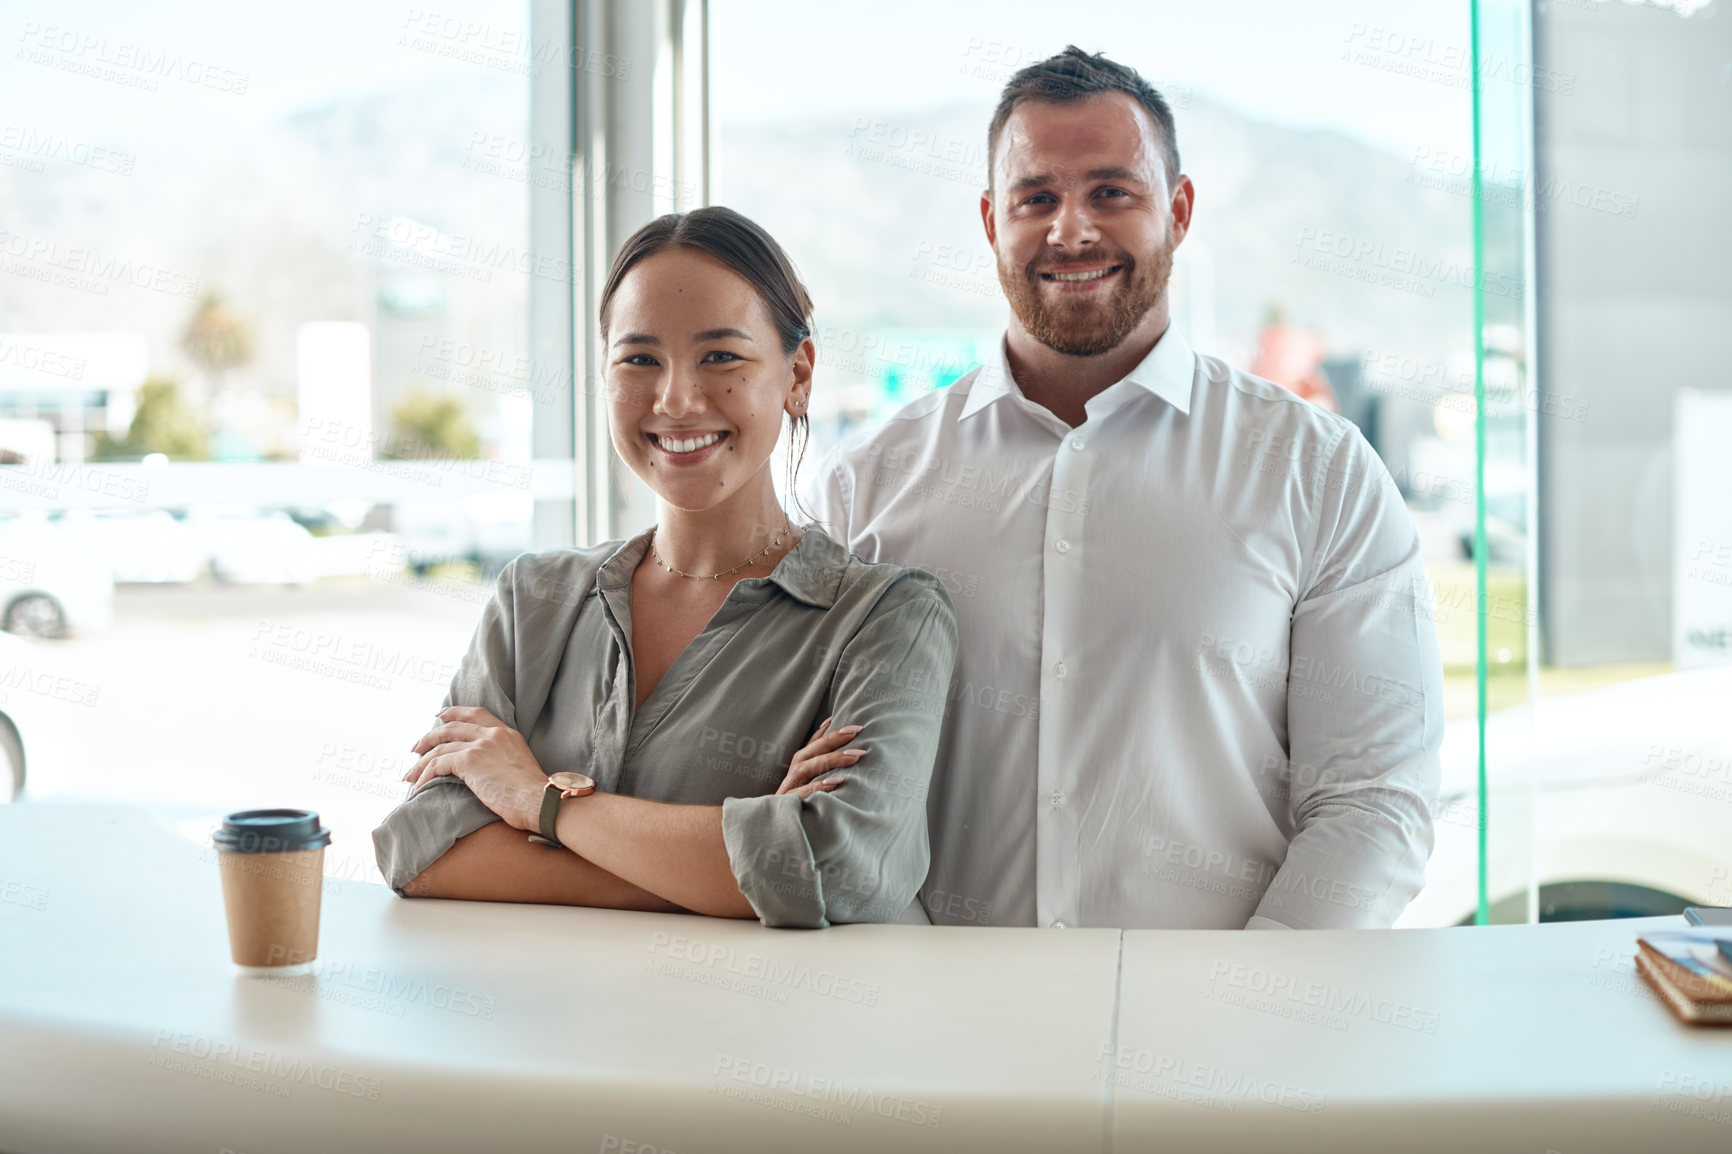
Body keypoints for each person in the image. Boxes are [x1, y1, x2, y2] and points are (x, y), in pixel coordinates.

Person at [806, 47, 1444, 930]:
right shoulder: (864, 487)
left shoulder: (1317, 471)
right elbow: (828, 798)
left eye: (1112, 191)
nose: (1072, 230)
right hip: (943, 1046)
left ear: (1177, 212)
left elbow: (1375, 803)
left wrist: (1239, 1017)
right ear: (992, 222)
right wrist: (921, 998)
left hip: (1219, 1047)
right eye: (1037, 198)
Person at [372, 206, 958, 928]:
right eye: (639, 359)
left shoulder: (886, 619)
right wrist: (741, 865)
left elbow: (838, 869)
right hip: (544, 1037)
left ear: (797, 375)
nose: (676, 399)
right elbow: (420, 849)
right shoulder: (534, 600)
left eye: (721, 357)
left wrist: (536, 802)